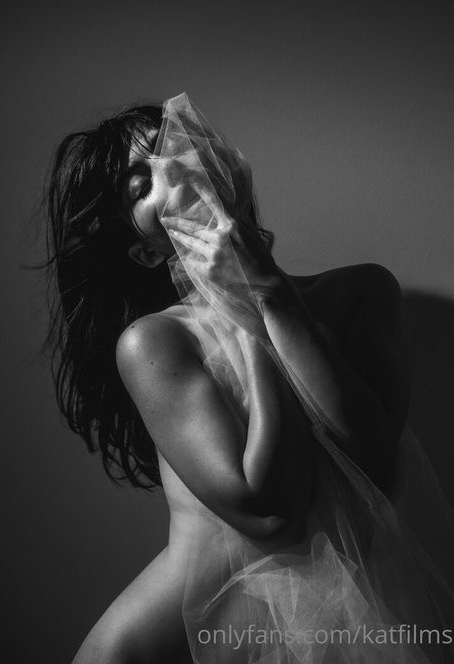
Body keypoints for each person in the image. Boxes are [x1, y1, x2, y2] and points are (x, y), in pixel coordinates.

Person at [43, 93, 454, 663]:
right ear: (145, 253)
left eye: (174, 145)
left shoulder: (361, 292)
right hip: (198, 620)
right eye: (140, 186)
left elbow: (376, 467)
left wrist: (271, 294)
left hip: (374, 609)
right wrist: (242, 312)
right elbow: (271, 514)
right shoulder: (154, 342)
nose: (172, 169)